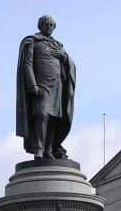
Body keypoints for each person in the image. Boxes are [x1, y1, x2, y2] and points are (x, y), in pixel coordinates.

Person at [16, 14, 76, 160]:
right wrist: (32, 84)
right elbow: (27, 64)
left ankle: (49, 149)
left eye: (51, 25)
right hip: (41, 86)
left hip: (57, 86)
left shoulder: (58, 45)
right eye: (46, 24)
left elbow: (70, 64)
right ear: (40, 26)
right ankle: (39, 148)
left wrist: (64, 57)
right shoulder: (33, 42)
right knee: (42, 115)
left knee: (54, 118)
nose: (48, 27)